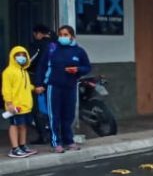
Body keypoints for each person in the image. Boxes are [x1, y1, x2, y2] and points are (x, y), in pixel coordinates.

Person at [35, 25, 91, 153]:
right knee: (54, 116)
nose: (63, 37)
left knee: (68, 116)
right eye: (61, 35)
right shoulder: (52, 49)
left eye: (66, 35)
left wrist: (78, 70)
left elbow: (87, 67)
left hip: (70, 87)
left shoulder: (79, 51)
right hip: (53, 86)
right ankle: (56, 143)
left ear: (72, 36)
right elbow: (42, 67)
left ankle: (69, 141)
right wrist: (39, 84)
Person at [3, 45, 37, 158]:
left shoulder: (24, 71)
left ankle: (22, 146)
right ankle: (14, 148)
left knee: (23, 126)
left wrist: (34, 88)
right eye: (18, 55)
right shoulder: (8, 72)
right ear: (13, 57)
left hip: (25, 105)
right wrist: (9, 103)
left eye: (24, 55)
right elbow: (6, 89)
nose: (21, 57)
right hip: (15, 106)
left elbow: (25, 86)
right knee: (14, 125)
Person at [27, 24, 52, 144]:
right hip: (55, 81)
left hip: (40, 81)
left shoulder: (40, 45)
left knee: (37, 109)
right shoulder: (56, 44)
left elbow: (29, 61)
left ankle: (43, 135)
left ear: (39, 33)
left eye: (35, 34)